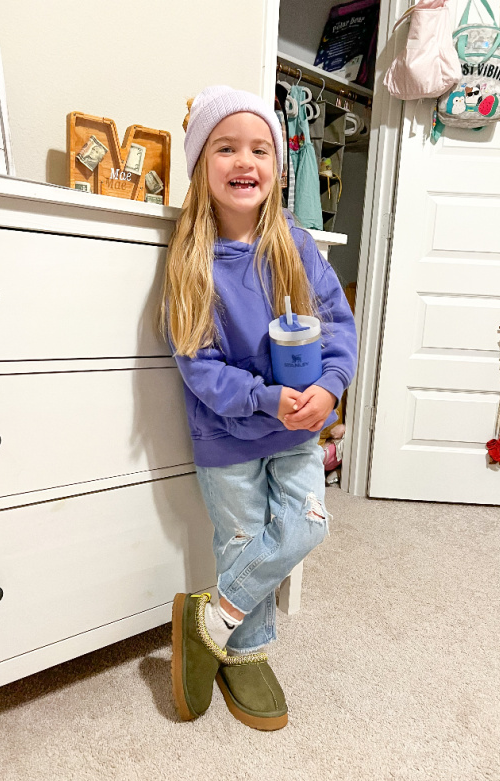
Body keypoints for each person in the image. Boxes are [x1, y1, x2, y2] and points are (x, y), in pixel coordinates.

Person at [160, 85, 357, 731]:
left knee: (307, 525)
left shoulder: (295, 245)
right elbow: (199, 366)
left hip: (297, 430)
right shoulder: (192, 262)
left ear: (276, 165)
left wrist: (331, 385)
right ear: (201, 164)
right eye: (226, 148)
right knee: (242, 541)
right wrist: (264, 398)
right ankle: (245, 652)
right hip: (227, 436)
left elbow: (337, 326)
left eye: (259, 149)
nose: (244, 161)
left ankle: (208, 620)